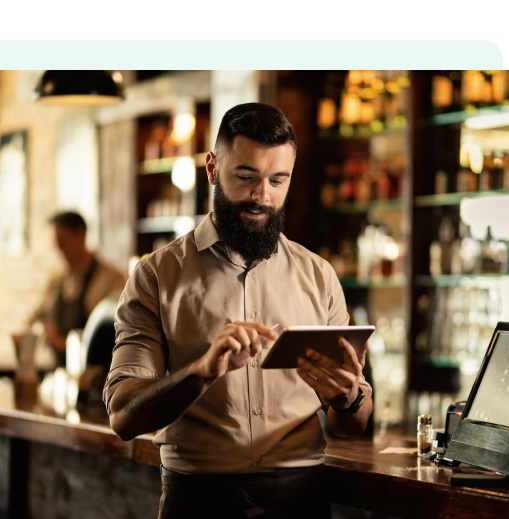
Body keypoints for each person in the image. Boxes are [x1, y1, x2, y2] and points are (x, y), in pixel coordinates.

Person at [103, 103, 373, 518]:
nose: (262, 196)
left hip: (301, 499)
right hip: (197, 500)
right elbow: (122, 416)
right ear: (212, 168)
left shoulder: (319, 276)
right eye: (246, 177)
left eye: (277, 180)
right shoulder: (155, 276)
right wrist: (201, 372)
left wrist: (348, 397)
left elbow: (351, 426)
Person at [28, 211, 127, 367]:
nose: (58, 248)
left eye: (63, 241)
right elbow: (34, 318)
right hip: (59, 371)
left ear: (81, 236)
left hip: (96, 374)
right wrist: (43, 331)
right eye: (56, 242)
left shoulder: (111, 278)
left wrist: (69, 345)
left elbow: (117, 331)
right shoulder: (56, 279)